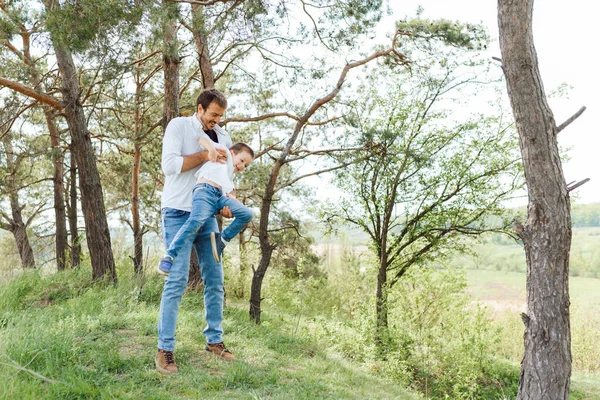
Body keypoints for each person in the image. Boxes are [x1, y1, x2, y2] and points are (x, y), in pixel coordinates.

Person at [155, 88, 244, 375]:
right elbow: (170, 166)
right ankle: (164, 350)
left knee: (215, 280)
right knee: (177, 281)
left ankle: (214, 342)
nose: (216, 121)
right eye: (213, 115)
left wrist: (228, 204)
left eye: (221, 116)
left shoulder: (224, 138)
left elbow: (225, 178)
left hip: (207, 217)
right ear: (200, 108)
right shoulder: (180, 127)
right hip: (178, 212)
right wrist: (206, 155)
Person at [157, 139, 254, 275]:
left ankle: (222, 239)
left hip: (219, 197)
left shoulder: (229, 176)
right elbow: (201, 139)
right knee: (196, 221)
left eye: (246, 165)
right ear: (232, 153)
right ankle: (169, 256)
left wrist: (234, 202)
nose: (243, 166)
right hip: (204, 191)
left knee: (247, 214)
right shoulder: (223, 153)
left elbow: (229, 194)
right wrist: (212, 150)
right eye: (242, 160)